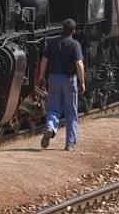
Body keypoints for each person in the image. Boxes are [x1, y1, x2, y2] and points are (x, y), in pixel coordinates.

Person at [38, 18, 86, 151]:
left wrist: (42, 76)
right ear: (74, 31)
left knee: (53, 107)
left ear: (62, 29)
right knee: (71, 111)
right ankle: (70, 143)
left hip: (53, 78)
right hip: (69, 80)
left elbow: (44, 60)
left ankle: (50, 128)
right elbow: (79, 64)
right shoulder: (75, 44)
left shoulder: (52, 42)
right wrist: (82, 82)